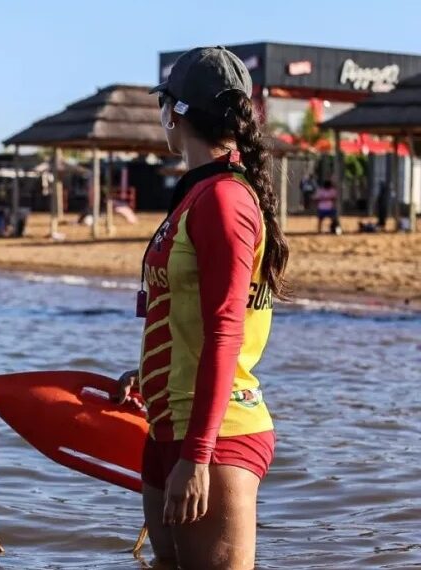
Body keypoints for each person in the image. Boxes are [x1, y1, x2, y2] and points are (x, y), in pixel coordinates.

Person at [113, 47, 289, 569]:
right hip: (171, 424)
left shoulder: (224, 200)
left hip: (217, 437)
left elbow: (226, 333)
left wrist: (197, 456)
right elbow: (186, 315)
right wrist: (151, 375)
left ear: (175, 111)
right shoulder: (199, 194)